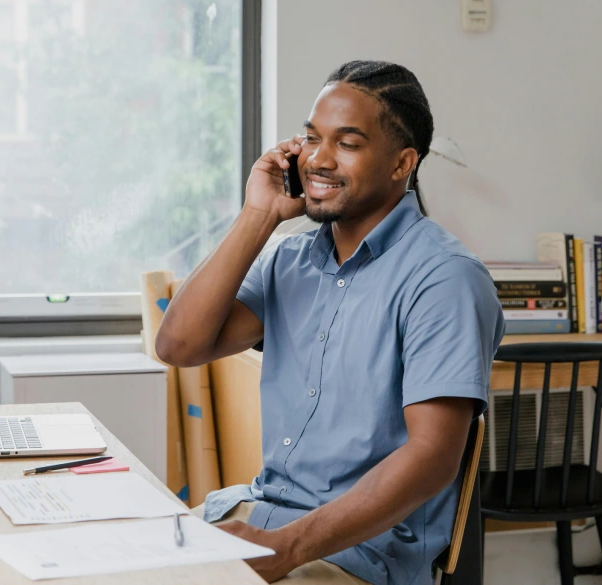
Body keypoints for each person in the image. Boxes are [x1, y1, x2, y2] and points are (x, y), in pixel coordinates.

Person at [155, 60, 505, 585]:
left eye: (348, 143)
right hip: (257, 517)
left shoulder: (444, 279)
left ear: (401, 163)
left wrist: (284, 548)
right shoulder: (289, 260)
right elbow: (179, 344)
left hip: (356, 555)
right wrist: (259, 214)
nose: (318, 159)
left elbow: (432, 456)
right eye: (312, 137)